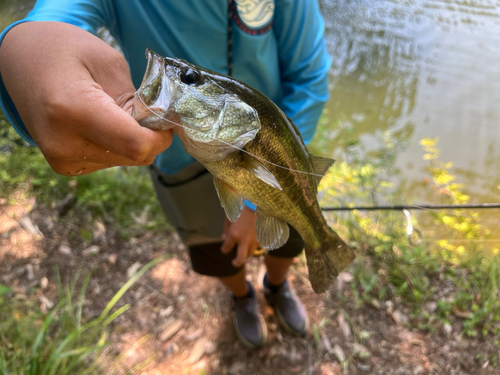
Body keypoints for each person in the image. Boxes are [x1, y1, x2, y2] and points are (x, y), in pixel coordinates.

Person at [0, 0, 331, 348]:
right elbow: (58, 16)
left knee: (289, 236)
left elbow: (310, 80)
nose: (174, 77)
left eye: (187, 78)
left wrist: (252, 207)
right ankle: (242, 296)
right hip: (176, 168)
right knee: (214, 250)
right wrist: (24, 49)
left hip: (279, 166)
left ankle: (277, 287)